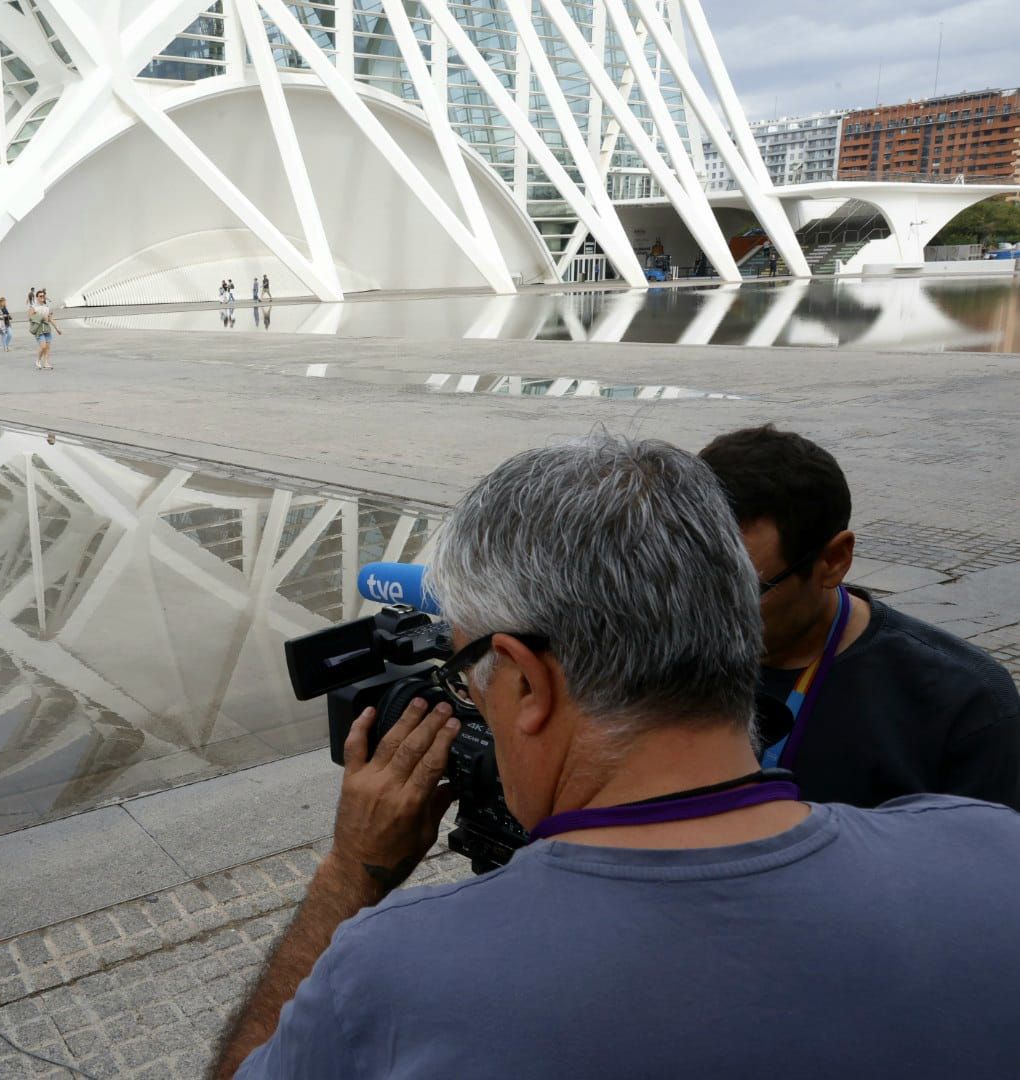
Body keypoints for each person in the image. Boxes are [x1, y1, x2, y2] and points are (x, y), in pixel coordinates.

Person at [218, 435, 1020, 1079]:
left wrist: (351, 872)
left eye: (471, 683)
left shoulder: (394, 979)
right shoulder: (992, 854)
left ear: (528, 682)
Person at [700, 425, 1020, 810]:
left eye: (738, 590)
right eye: (684, 577)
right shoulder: (646, 663)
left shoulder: (965, 704)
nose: (701, 610)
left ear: (834, 561)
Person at [28, 289, 60, 370]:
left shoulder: (46, 307)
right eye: (40, 296)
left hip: (46, 328)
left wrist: (57, 328)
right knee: (43, 347)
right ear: (37, 297)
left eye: (43, 296)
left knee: (48, 347)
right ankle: (38, 361)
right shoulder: (33, 307)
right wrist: (41, 317)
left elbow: (50, 319)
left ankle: (46, 363)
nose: (42, 297)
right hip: (39, 329)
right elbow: (30, 317)